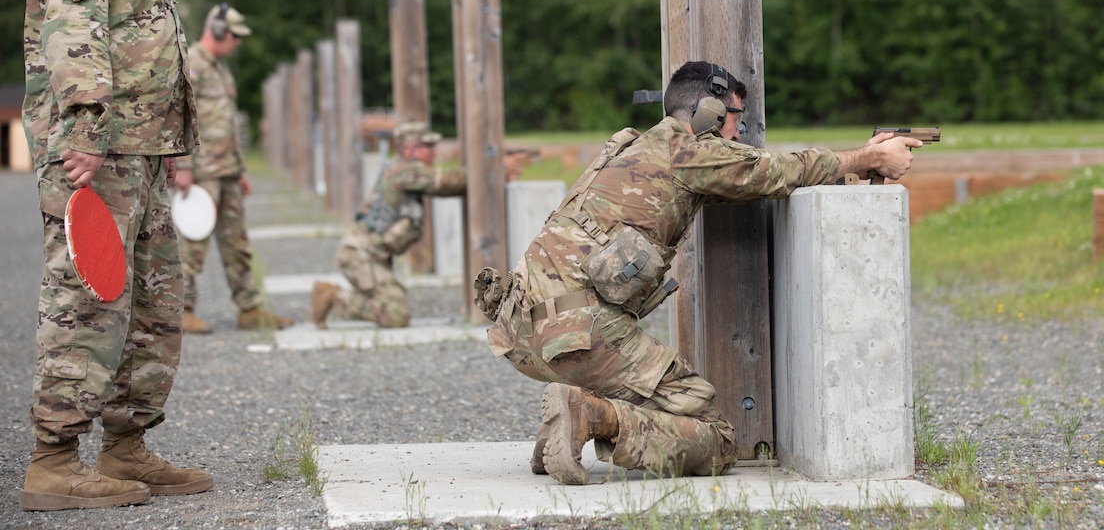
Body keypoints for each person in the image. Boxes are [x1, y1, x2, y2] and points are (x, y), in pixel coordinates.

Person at [478, 60, 922, 486]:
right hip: (580, 336)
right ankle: (591, 416)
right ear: (708, 111)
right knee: (717, 436)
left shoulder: (637, 148)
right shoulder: (686, 151)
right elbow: (772, 171)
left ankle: (565, 424)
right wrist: (868, 158)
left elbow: (748, 183)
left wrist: (863, 156)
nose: (738, 133)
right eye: (735, 120)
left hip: (521, 332)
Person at [20, 0, 213, 511]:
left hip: (142, 147)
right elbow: (75, 31)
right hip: (100, 149)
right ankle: (55, 461)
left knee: (153, 304)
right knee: (88, 300)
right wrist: (85, 132)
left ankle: (128, 446)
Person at [174, 3, 294, 333]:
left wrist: (240, 171)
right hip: (201, 173)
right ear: (217, 32)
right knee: (191, 244)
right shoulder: (192, 63)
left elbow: (226, 123)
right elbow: (178, 115)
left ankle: (250, 309)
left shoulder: (221, 68)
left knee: (237, 244)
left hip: (225, 170)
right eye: (234, 35)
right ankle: (181, 310)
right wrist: (182, 164)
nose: (237, 42)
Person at [311, 121, 466, 328]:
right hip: (362, 257)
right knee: (396, 314)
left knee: (393, 302)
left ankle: (337, 296)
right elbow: (447, 182)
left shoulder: (401, 171)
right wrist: (493, 169)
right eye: (428, 147)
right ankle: (334, 296)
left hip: (367, 255)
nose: (434, 154)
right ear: (412, 149)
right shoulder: (407, 171)